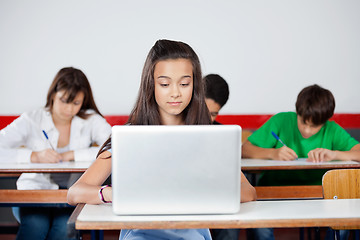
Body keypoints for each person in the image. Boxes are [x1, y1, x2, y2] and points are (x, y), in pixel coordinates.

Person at [67, 39, 257, 240]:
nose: (175, 92)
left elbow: (248, 192)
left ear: (195, 85)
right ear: (151, 85)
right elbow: (75, 192)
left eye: (184, 83)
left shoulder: (206, 136)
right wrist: (114, 195)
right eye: (165, 84)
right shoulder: (130, 136)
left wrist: (201, 192)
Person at [0, 67, 112, 240]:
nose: (69, 109)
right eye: (63, 100)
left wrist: (73, 154)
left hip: (70, 196)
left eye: (76, 103)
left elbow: (114, 146)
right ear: (53, 94)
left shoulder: (90, 119)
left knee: (63, 231)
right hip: (34, 194)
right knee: (35, 227)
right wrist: (33, 156)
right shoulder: (32, 119)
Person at [242, 84, 360, 240]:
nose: (307, 130)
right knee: (258, 225)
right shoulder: (281, 120)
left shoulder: (332, 130)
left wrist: (335, 154)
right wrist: (272, 153)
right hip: (273, 193)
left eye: (315, 126)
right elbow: (244, 149)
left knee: (344, 221)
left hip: (320, 194)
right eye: (304, 122)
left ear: (325, 121)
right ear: (297, 112)